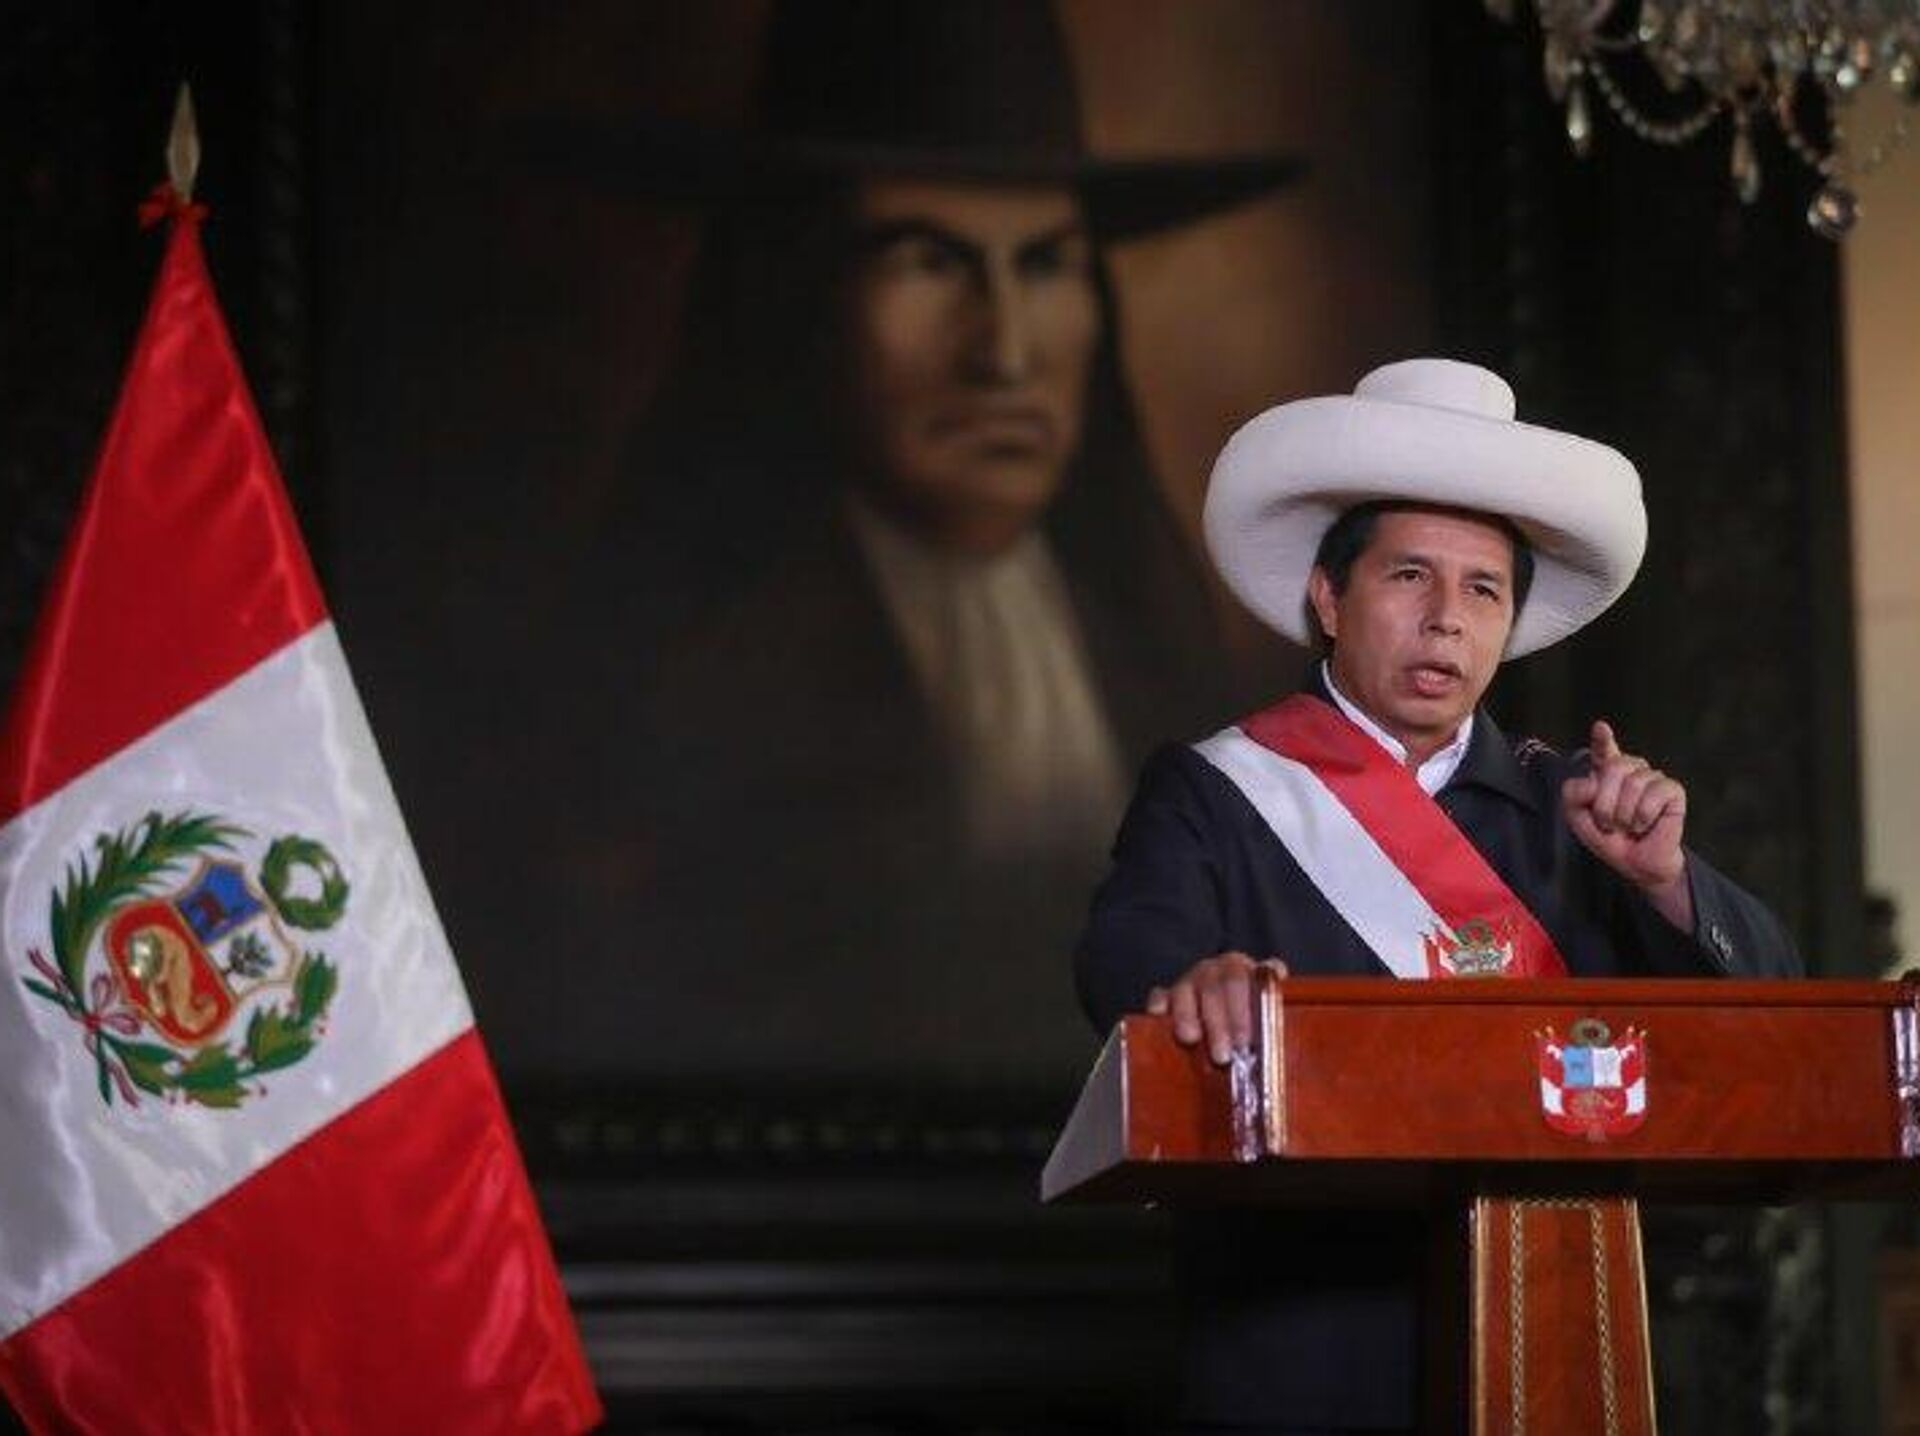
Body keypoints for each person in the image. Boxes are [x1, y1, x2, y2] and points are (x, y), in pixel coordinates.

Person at [538, 0, 1307, 1078]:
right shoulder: (701, 684)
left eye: (1045, 264)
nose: (1005, 354)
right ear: (802, 299)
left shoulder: (1162, 662)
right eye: (929, 263)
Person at [1073, 357, 1802, 1431]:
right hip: (1301, 1336)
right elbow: (1123, 951)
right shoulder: (1218, 787)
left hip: (1551, 1329)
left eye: (1483, 589)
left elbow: (1772, 1017)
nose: (1447, 619)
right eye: (1410, 575)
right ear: (1329, 597)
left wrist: (1666, 882)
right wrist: (1189, 983)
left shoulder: (1580, 809)